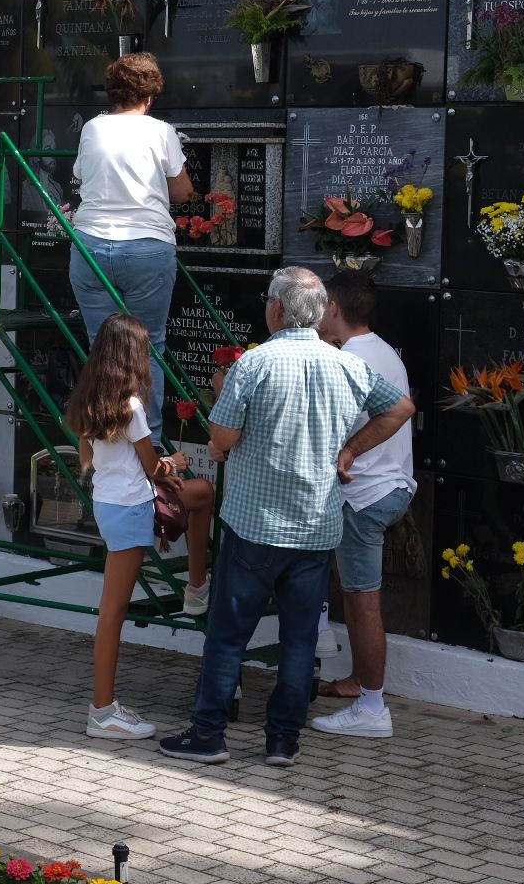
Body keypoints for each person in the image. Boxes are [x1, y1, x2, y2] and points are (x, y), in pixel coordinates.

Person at [158, 267, 414, 768]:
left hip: (256, 525)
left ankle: (209, 734)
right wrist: (348, 453)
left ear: (277, 310)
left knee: (229, 633)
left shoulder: (255, 364)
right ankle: (282, 742)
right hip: (317, 528)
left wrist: (221, 419)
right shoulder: (347, 366)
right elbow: (400, 408)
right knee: (299, 640)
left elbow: (224, 438)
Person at [68, 313, 216, 740]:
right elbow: (153, 467)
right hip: (133, 507)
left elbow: (88, 459)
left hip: (109, 504)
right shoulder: (131, 406)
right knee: (112, 613)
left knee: (201, 494)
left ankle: (195, 587)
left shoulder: (88, 398)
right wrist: (175, 463)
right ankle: (102, 711)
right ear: (132, 355)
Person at [310, 271, 416, 739]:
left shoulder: (350, 359)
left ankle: (373, 707)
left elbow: (337, 432)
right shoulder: (381, 349)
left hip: (365, 496)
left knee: (362, 599)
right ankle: (357, 682)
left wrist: (348, 451)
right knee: (354, 597)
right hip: (390, 486)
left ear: (333, 306)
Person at [68, 53, 194, 443]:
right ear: (151, 95)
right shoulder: (161, 132)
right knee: (148, 346)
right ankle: (148, 443)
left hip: (90, 247)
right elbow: (181, 191)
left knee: (101, 345)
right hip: (146, 249)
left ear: (114, 92)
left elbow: (80, 175)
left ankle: (104, 440)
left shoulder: (92, 128)